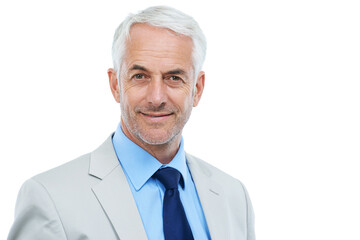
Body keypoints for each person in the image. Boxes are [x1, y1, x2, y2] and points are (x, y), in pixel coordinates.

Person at [8, 5, 255, 240]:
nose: (156, 97)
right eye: (140, 76)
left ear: (197, 89)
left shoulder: (233, 197)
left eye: (174, 77)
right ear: (115, 85)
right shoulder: (51, 198)